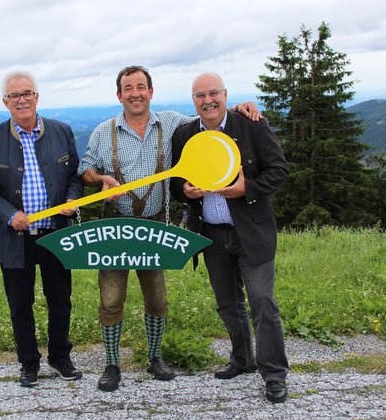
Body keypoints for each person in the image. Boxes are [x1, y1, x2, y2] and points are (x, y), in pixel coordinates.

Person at [78, 65, 261, 392]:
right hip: (114, 229)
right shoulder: (102, 132)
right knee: (110, 299)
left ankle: (154, 357)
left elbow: (209, 115)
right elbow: (85, 171)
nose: (135, 93)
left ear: (151, 92)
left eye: (141, 87)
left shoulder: (174, 123)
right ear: (119, 95)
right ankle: (111, 364)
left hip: (154, 229)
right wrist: (100, 180)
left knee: (158, 299)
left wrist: (238, 108)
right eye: (128, 88)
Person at [170, 72, 290, 403]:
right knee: (227, 304)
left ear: (225, 95)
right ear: (193, 101)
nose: (207, 100)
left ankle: (274, 374)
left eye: (213, 93)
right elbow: (174, 185)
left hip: (251, 232)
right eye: (199, 95)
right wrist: (187, 192)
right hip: (211, 234)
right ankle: (242, 359)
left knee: (261, 300)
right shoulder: (184, 134)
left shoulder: (250, 124)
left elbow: (279, 170)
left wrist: (245, 189)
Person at [0, 70, 83, 387]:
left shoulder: (61, 131)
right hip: (14, 238)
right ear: (5, 102)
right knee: (20, 305)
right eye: (15, 96)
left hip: (55, 234)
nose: (22, 100)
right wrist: (9, 215)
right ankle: (29, 363)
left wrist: (73, 198)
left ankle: (61, 358)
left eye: (27, 93)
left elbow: (74, 177)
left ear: (37, 97)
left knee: (60, 300)